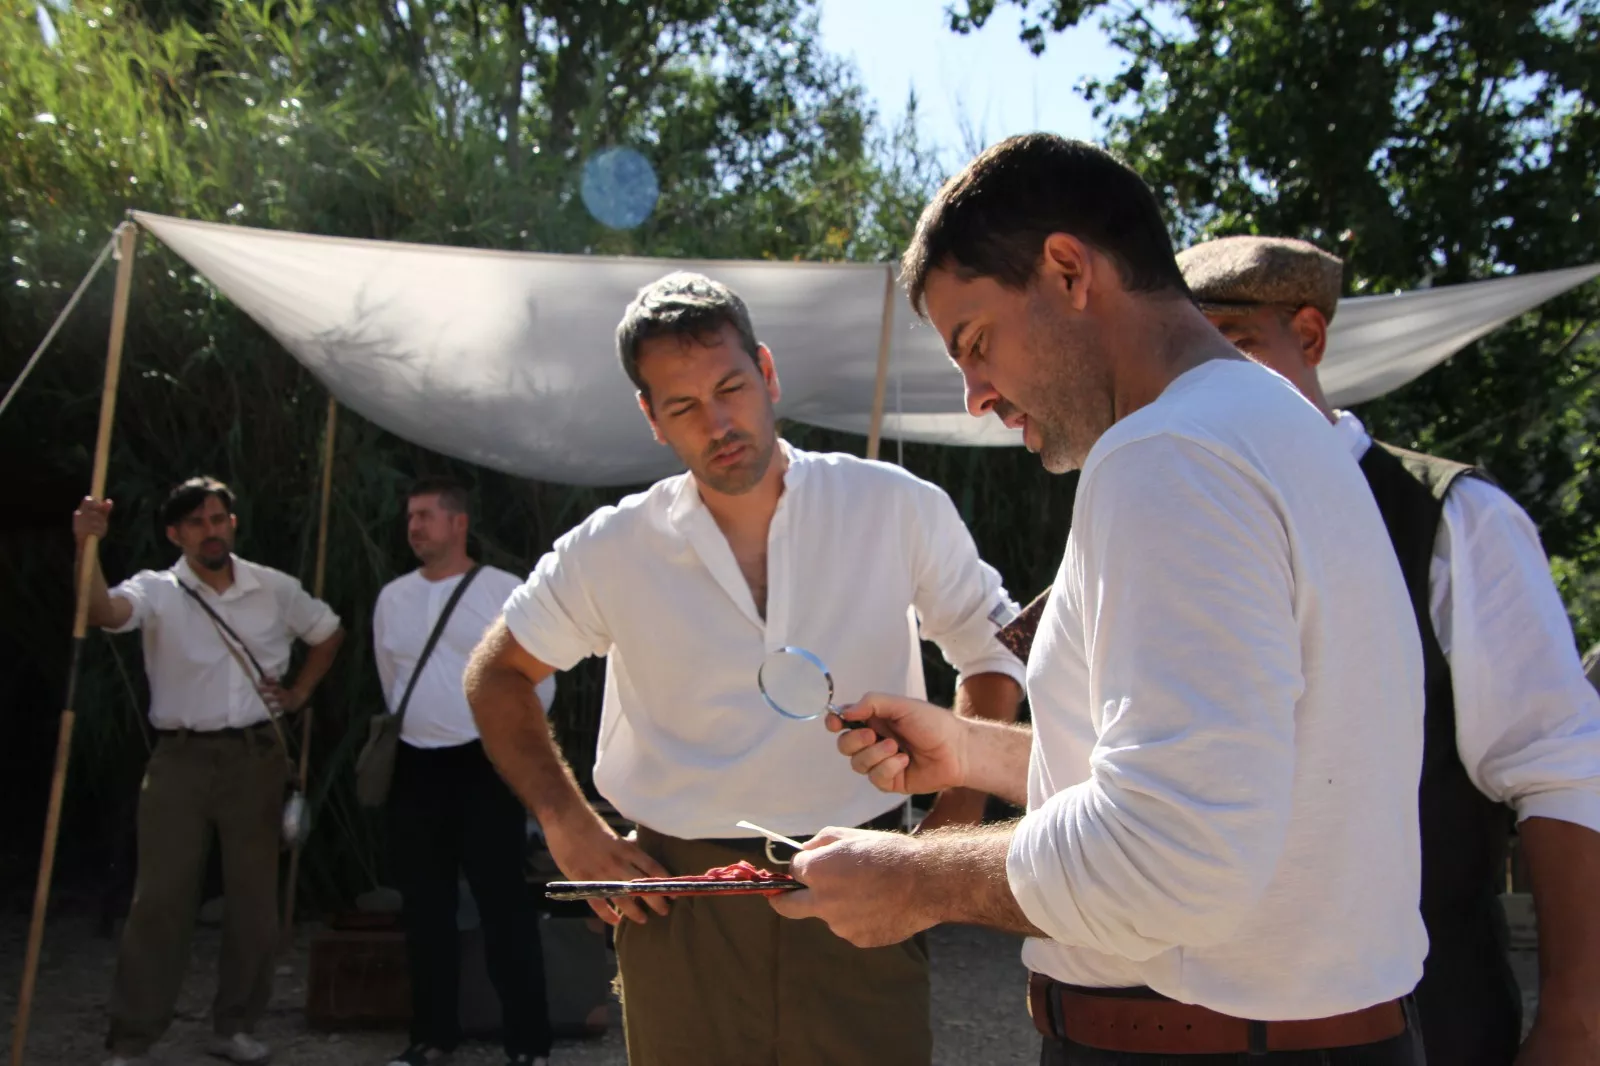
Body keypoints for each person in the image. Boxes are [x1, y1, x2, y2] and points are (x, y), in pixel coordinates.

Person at [771, 134, 1431, 1065]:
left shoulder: (1167, 455)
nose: (975, 397)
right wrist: (975, 751)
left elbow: (1170, 850)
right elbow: (1225, 762)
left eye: (976, 341)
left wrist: (917, 879)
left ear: (1068, 270)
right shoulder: (1279, 425)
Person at [463, 271, 1027, 1066]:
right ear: (651, 418)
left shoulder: (894, 505)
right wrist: (568, 823)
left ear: (766, 372)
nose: (718, 421)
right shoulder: (612, 546)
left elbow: (992, 647)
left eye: (730, 387)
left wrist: (945, 834)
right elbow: (496, 675)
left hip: (865, 872)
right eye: (684, 405)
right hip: (677, 900)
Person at [1176, 234, 1600, 1066]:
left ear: (1311, 334)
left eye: (1232, 344)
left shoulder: (1451, 518)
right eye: (1185, 355)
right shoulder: (1178, 516)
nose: (1205, 383)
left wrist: (1574, 1027)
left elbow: (1562, 773)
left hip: (1423, 1020)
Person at [74, 477, 344, 1066]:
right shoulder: (158, 590)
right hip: (181, 758)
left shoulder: (272, 587)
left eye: (219, 518)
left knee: (254, 903)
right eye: (197, 522)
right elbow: (101, 611)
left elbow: (327, 632)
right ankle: (132, 1038)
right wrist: (87, 545)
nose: (211, 529)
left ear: (233, 524)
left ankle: (235, 1025)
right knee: (160, 900)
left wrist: (298, 693)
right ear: (175, 533)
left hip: (256, 757)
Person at [373, 476, 556, 1066]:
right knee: (425, 906)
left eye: (426, 514)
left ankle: (527, 1043)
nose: (415, 526)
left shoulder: (504, 592)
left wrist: (505, 743)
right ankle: (432, 1036)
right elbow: (392, 678)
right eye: (410, 517)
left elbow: (540, 682)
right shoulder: (392, 598)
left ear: (459, 524)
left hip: (485, 765)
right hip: (416, 766)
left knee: (503, 903)